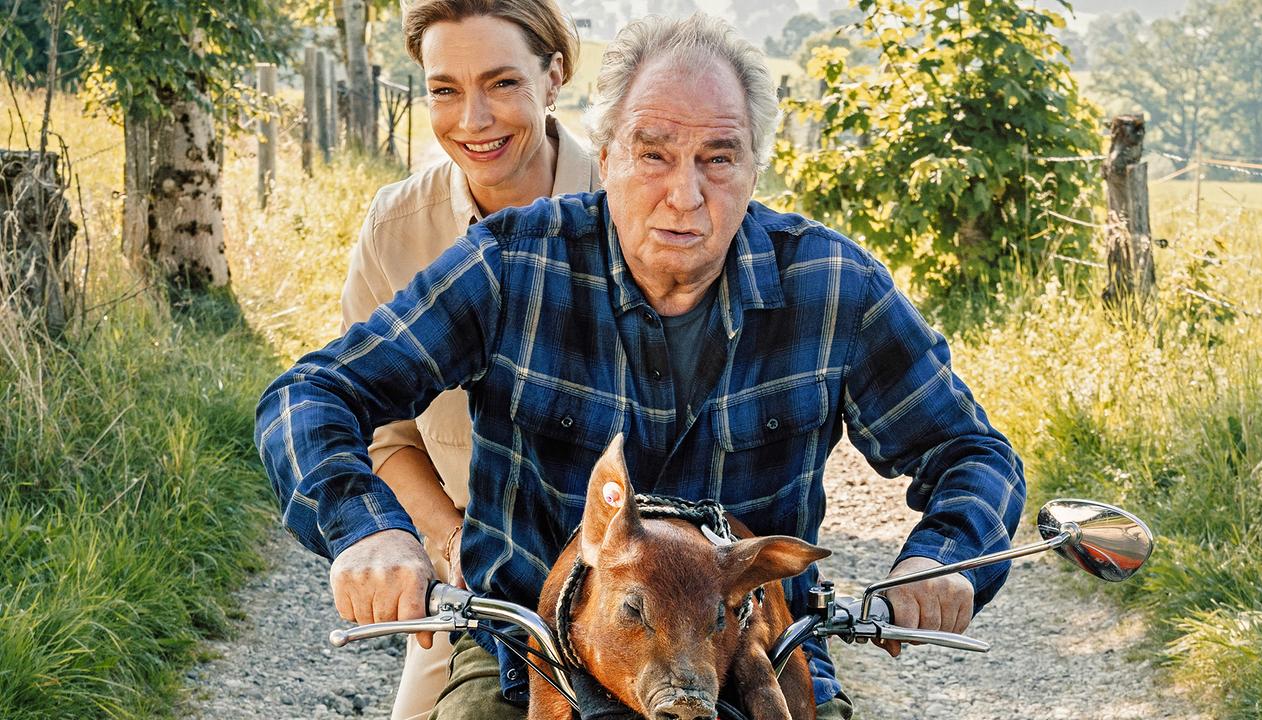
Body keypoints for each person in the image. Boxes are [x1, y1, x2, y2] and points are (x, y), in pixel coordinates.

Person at [257, 13, 1025, 720]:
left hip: (752, 663)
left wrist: (943, 563)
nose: (684, 196)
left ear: (755, 166)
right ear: (608, 155)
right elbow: (312, 394)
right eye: (653, 153)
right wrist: (367, 533)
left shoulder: (833, 286)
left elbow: (972, 453)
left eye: (718, 158)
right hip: (533, 663)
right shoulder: (511, 265)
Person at [339, 1, 598, 716]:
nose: (473, 120)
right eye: (445, 90)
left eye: (502, 83)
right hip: (487, 590)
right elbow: (382, 429)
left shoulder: (635, 202)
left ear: (554, 76)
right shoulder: (398, 229)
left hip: (634, 575)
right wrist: (450, 539)